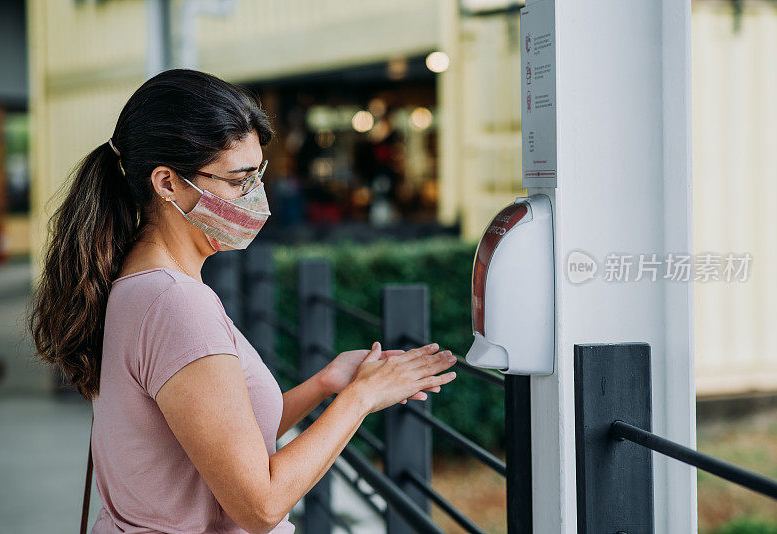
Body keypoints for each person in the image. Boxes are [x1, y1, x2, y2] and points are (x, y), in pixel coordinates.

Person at [25, 69, 457, 534]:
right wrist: (361, 398)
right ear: (167, 183)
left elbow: (215, 437)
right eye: (237, 181)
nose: (255, 198)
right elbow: (260, 505)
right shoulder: (175, 304)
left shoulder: (137, 281)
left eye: (257, 177)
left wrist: (323, 385)